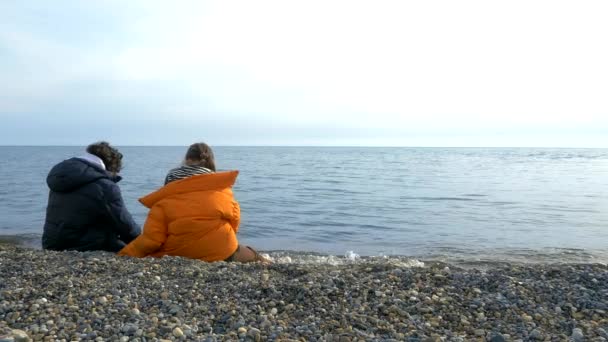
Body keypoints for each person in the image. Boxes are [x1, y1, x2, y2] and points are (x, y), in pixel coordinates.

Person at [118, 142, 269, 263]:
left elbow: (151, 241)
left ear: (171, 181)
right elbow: (234, 223)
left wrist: (124, 254)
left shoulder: (163, 202)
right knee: (249, 253)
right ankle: (263, 261)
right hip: (222, 252)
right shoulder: (223, 193)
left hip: (180, 255)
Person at [42, 142, 141, 252]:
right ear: (111, 166)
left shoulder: (63, 176)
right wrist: (143, 241)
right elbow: (125, 224)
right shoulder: (105, 186)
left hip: (50, 244)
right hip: (82, 246)